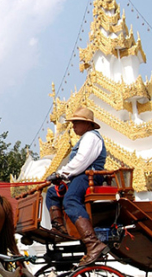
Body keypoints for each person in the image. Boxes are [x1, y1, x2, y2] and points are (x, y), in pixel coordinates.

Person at [45, 107, 108, 267]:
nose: (73, 126)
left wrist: (61, 174)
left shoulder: (91, 137)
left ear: (87, 124)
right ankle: (60, 229)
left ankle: (93, 243)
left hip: (89, 176)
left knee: (71, 200)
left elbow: (81, 161)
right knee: (52, 193)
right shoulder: (85, 137)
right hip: (79, 176)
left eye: (76, 123)